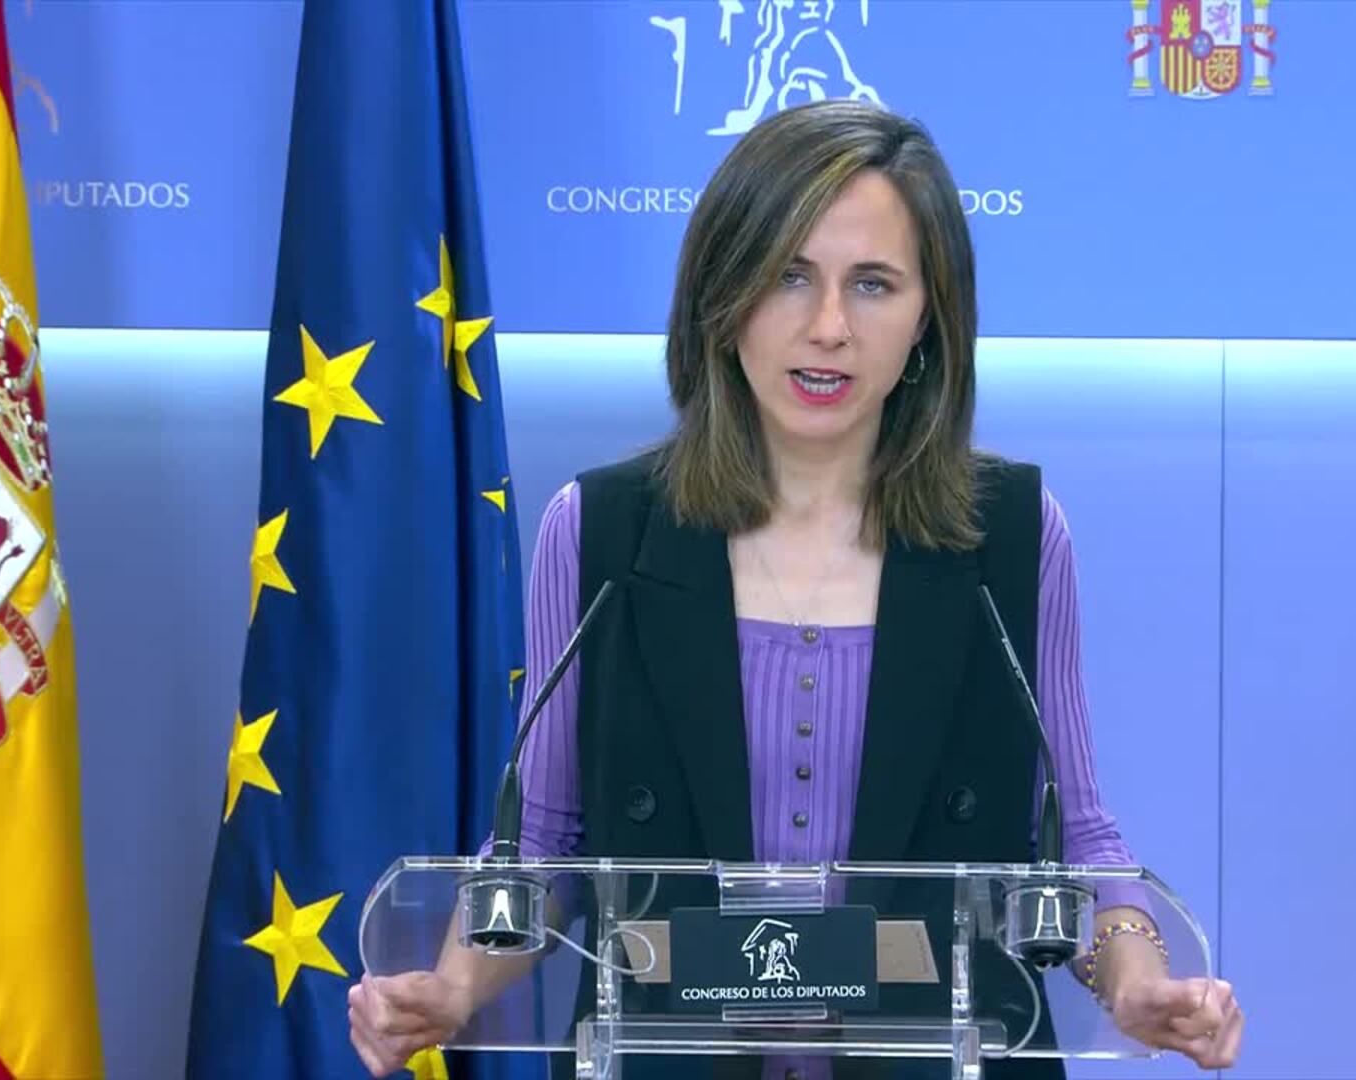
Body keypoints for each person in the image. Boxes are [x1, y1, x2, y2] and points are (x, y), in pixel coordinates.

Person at [348, 99, 1243, 1078]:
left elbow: (1073, 837)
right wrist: (450, 990)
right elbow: (544, 843)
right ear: (721, 295)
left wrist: (1138, 983)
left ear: (930, 318)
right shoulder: (600, 534)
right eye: (787, 275)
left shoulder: (1012, 541)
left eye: (873, 284)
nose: (828, 329)